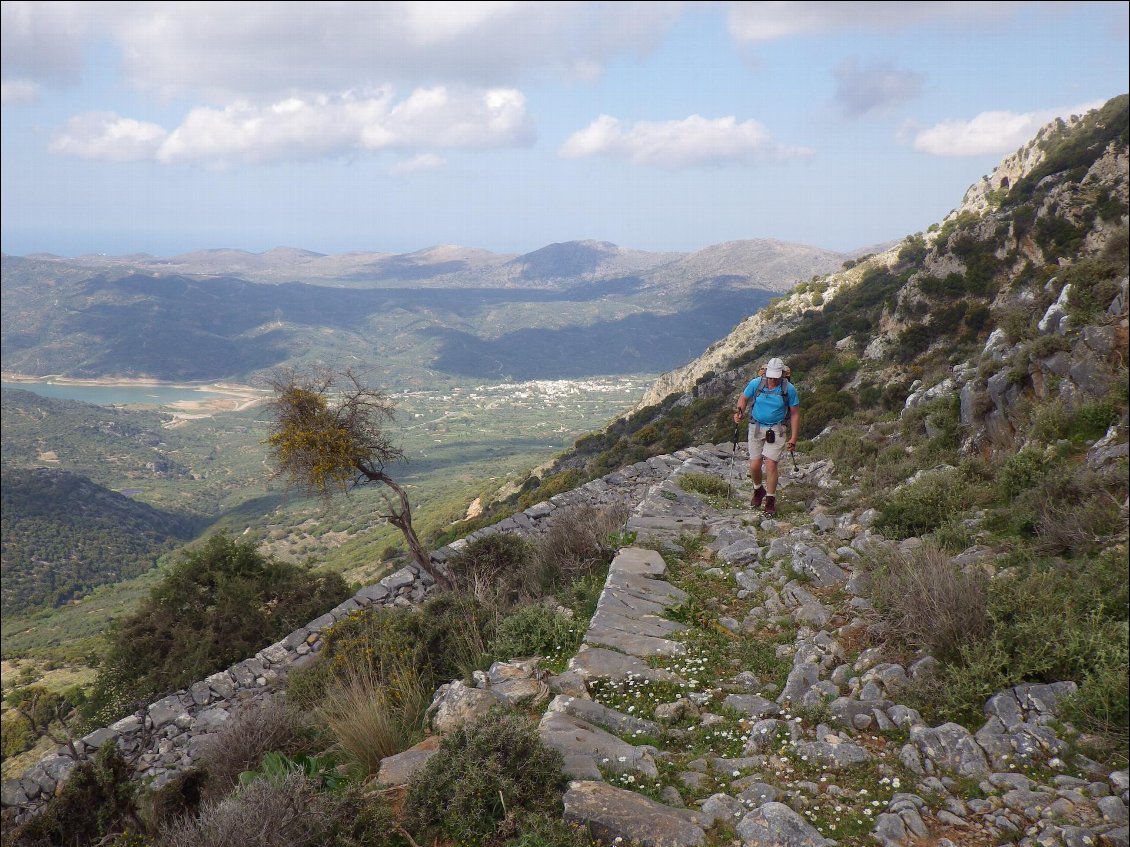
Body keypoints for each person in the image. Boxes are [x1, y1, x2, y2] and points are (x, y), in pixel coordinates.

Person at [732, 357, 800, 517]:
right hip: (755, 426)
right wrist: (739, 411)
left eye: (776, 377)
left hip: (777, 429)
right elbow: (743, 398)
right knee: (754, 465)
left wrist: (793, 438)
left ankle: (770, 501)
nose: (772, 380)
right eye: (770, 376)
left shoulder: (789, 389)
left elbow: (795, 414)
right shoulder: (757, 383)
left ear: (782, 375)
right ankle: (758, 489)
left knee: (771, 465)